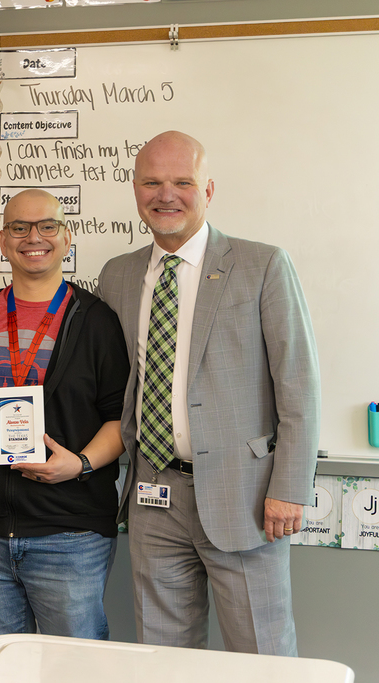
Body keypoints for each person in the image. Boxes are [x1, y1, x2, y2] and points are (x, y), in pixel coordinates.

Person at [96, 131, 320, 655]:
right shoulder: (118, 275)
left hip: (245, 498)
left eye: (182, 182)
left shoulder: (263, 265)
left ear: (209, 189)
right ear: (135, 190)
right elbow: (91, 358)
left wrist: (289, 486)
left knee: (261, 653)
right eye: (152, 182)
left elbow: (299, 385)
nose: (165, 194)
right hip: (154, 495)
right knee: (165, 653)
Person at [0, 189, 129, 640]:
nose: (33, 237)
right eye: (19, 227)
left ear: (67, 237)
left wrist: (79, 464)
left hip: (70, 535)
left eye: (47, 226)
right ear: (2, 240)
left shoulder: (97, 321)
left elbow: (120, 419)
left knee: (72, 669)